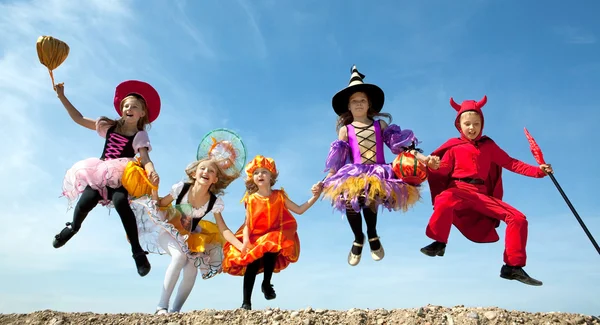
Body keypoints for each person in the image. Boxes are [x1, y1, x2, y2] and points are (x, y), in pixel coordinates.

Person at [422, 95, 553, 286]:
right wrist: (434, 165)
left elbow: (511, 163)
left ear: (482, 124)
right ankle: (439, 242)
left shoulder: (488, 146)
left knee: (518, 219)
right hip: (458, 189)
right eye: (467, 124)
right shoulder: (453, 146)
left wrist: (538, 172)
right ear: (459, 125)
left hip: (481, 195)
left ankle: (512, 267)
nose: (472, 128)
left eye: (476, 123)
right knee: (444, 199)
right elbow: (443, 170)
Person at [322, 65, 437, 266]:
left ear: (369, 104)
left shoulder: (379, 125)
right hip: (354, 171)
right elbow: (337, 161)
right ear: (348, 106)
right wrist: (325, 181)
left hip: (378, 170)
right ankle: (358, 238)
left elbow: (402, 148)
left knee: (370, 195)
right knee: (351, 199)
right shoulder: (345, 131)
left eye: (362, 100)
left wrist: (425, 159)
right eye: (354, 101)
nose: (358, 104)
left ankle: (373, 234)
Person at [52, 80, 161, 277]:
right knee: (86, 202)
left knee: (121, 202)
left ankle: (137, 252)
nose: (129, 108)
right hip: (100, 172)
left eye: (135, 106)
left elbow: (145, 158)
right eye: (126, 105)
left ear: (142, 113)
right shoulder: (109, 127)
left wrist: (152, 171)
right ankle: (73, 228)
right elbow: (78, 118)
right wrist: (62, 96)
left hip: (122, 176)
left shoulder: (139, 134)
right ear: (121, 109)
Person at [222, 155, 322, 310]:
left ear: (271, 177)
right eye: (256, 173)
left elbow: (300, 210)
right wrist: (246, 242)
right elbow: (248, 224)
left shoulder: (279, 196)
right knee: (252, 263)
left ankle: (266, 283)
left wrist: (315, 196)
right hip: (254, 236)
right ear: (252, 178)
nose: (260, 175)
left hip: (273, 234)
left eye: (264, 172)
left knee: (272, 242)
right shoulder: (251, 199)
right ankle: (246, 302)